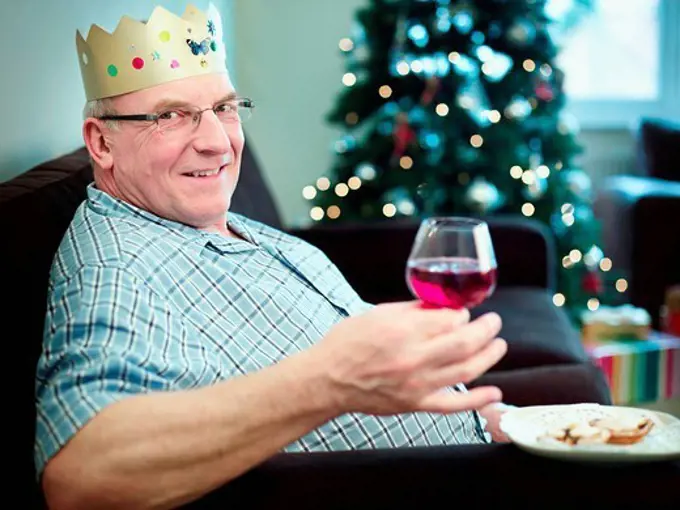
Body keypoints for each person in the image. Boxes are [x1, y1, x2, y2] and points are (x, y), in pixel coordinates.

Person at [35, 4, 511, 509]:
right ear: (100, 142)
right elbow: (81, 479)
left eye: (225, 108)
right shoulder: (117, 268)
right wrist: (328, 380)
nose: (217, 143)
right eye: (170, 117)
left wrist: (497, 423)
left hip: (495, 446)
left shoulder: (212, 222)